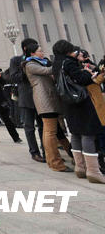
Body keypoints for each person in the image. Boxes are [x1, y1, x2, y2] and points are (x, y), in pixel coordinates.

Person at [52, 40, 105, 184]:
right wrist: (89, 74)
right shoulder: (68, 62)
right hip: (80, 101)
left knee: (75, 134)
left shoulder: (56, 64)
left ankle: (80, 167)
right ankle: (93, 171)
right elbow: (81, 79)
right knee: (88, 133)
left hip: (68, 102)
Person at [22, 44, 71, 172]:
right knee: (50, 132)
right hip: (44, 100)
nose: (42, 52)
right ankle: (55, 162)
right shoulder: (30, 65)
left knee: (56, 132)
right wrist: (59, 61)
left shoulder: (41, 63)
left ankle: (67, 156)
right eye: (39, 51)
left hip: (50, 99)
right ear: (32, 53)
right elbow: (48, 71)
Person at [9, 38, 46, 163]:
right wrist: (27, 71)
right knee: (29, 126)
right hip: (27, 97)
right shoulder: (16, 61)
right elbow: (14, 77)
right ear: (26, 48)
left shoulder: (41, 60)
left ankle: (46, 150)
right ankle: (34, 152)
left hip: (41, 96)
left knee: (43, 126)